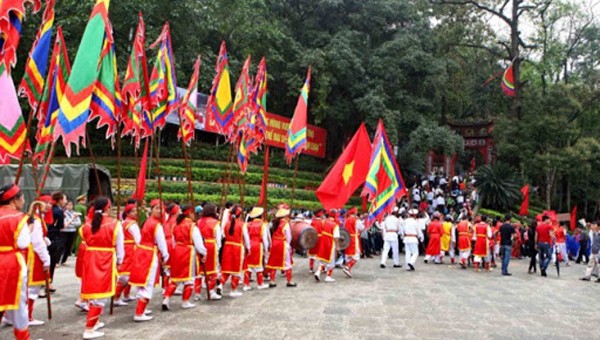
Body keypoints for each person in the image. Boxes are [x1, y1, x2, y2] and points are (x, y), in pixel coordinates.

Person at [79, 197, 124, 339]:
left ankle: (95, 321)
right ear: (108, 208)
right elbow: (120, 246)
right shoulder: (115, 224)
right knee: (101, 294)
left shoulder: (86, 225)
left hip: (90, 258)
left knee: (93, 292)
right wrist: (120, 261)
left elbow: (85, 240)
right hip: (105, 259)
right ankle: (89, 329)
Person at [0, 184, 32, 340]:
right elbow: (23, 243)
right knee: (18, 304)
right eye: (22, 197)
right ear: (14, 199)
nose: (24, 200)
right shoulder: (18, 218)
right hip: (11, 263)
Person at [129, 199, 169, 322]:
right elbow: (161, 242)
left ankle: (141, 308)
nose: (159, 211)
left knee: (143, 282)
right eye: (156, 208)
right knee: (148, 282)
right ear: (151, 209)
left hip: (142, 251)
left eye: (161, 209)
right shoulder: (156, 224)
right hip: (149, 253)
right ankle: (139, 312)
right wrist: (166, 255)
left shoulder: (148, 222)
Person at [163, 205, 207, 309]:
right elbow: (199, 244)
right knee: (189, 279)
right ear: (191, 214)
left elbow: (173, 241)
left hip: (177, 251)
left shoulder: (176, 225)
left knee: (175, 278)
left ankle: (166, 299)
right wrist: (204, 253)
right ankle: (185, 301)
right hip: (188, 252)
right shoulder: (192, 226)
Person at [25, 196, 53, 327]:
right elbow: (36, 241)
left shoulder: (33, 218)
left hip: (28, 253)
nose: (49, 205)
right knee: (32, 288)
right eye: (47, 203)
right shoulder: (36, 220)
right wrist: (46, 259)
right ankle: (27, 316)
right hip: (34, 255)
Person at [220, 205, 250, 297]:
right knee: (236, 269)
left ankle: (220, 285)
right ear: (240, 215)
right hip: (237, 248)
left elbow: (223, 235)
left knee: (226, 268)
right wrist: (248, 248)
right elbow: (246, 238)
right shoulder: (242, 224)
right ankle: (233, 290)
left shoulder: (226, 224)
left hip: (227, 247)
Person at [113, 203, 140, 306]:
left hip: (125, 248)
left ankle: (126, 295)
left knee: (129, 273)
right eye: (133, 211)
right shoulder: (132, 224)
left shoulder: (123, 223)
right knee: (126, 274)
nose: (135, 213)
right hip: (131, 250)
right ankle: (117, 296)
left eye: (135, 211)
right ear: (127, 213)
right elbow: (138, 240)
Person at [266, 204, 297, 287]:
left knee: (273, 262)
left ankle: (272, 281)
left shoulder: (274, 223)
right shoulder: (285, 224)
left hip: (274, 244)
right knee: (287, 263)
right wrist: (288, 245)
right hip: (283, 244)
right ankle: (289, 281)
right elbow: (289, 236)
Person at [197, 203, 223, 300]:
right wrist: (218, 248)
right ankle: (211, 291)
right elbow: (218, 238)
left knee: (199, 272)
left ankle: (197, 293)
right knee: (212, 271)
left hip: (200, 245)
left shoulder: (198, 222)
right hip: (211, 246)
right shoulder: (215, 223)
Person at [242, 207, 270, 291]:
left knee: (248, 265)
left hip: (249, 244)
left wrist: (247, 246)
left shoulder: (247, 224)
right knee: (259, 265)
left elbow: (245, 236)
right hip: (258, 245)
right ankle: (260, 283)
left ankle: (246, 284)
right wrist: (266, 249)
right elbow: (265, 239)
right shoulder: (263, 225)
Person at [314, 210, 341, 282]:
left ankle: (318, 272)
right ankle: (328, 276)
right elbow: (336, 237)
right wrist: (338, 246)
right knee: (331, 261)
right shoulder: (335, 225)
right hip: (330, 243)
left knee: (323, 260)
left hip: (323, 241)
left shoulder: (323, 222)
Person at [47, 192, 67, 291]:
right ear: (60, 200)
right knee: (52, 261)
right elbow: (61, 226)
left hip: (47, 236)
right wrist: (72, 219)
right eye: (64, 199)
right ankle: (49, 282)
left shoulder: (50, 209)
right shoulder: (59, 211)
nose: (66, 201)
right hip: (54, 237)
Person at [343, 207, 362, 277]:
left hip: (347, 237)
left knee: (348, 255)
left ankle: (348, 270)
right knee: (356, 255)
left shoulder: (346, 219)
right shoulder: (356, 220)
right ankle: (347, 267)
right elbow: (361, 228)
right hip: (354, 238)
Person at [60, 200, 81, 265]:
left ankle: (64, 260)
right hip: (64, 231)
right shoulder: (64, 213)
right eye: (68, 205)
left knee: (69, 246)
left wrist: (71, 223)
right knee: (62, 245)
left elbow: (78, 223)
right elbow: (64, 223)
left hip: (72, 231)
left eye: (71, 205)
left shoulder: (75, 213)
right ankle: (58, 260)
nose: (70, 206)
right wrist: (72, 222)